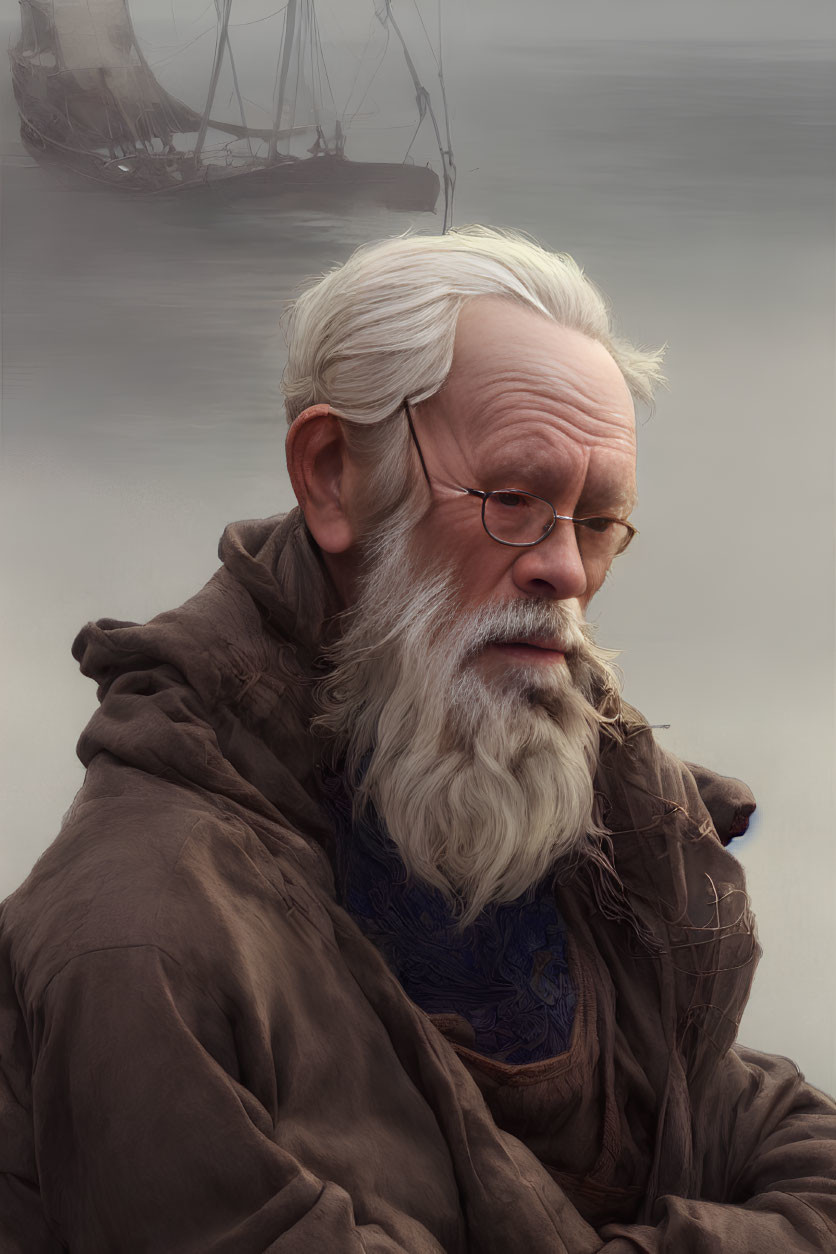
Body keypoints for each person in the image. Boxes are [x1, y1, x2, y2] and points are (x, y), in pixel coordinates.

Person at [1, 226, 834, 1253]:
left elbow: (747, 1120)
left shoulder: (573, 823)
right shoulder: (143, 939)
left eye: (595, 519)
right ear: (331, 476)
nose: (563, 570)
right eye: (513, 499)